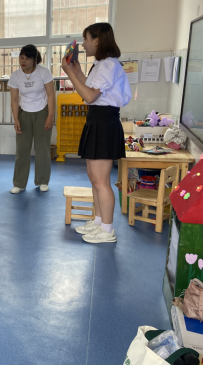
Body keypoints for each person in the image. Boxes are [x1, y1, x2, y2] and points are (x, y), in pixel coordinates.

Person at [61, 23, 132, 244]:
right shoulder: (100, 64)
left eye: (86, 39)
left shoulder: (109, 65)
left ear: (97, 40)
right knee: (94, 179)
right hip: (96, 120)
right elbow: (89, 89)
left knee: (101, 181)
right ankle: (99, 221)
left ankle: (108, 230)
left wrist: (68, 74)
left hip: (104, 121)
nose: (83, 44)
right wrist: (76, 72)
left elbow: (90, 96)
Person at [8, 44, 56, 193]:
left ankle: (42, 181)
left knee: (42, 149)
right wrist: (16, 119)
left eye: (27, 58)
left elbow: (51, 95)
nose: (23, 61)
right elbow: (14, 100)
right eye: (21, 57)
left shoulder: (44, 72)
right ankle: (19, 183)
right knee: (22, 149)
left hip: (42, 112)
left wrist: (50, 116)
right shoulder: (15, 75)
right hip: (24, 113)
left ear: (35, 59)